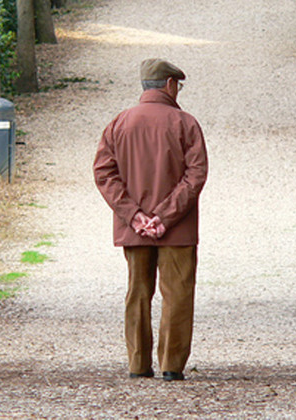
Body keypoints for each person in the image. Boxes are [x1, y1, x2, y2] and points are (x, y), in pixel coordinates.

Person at [93, 59, 208, 381]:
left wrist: (135, 216)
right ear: (170, 84)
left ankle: (138, 364)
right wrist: (165, 216)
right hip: (179, 228)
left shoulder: (119, 122)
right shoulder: (185, 123)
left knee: (137, 293)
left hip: (135, 230)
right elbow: (196, 174)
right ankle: (171, 365)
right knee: (178, 294)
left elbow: (104, 173)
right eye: (178, 85)